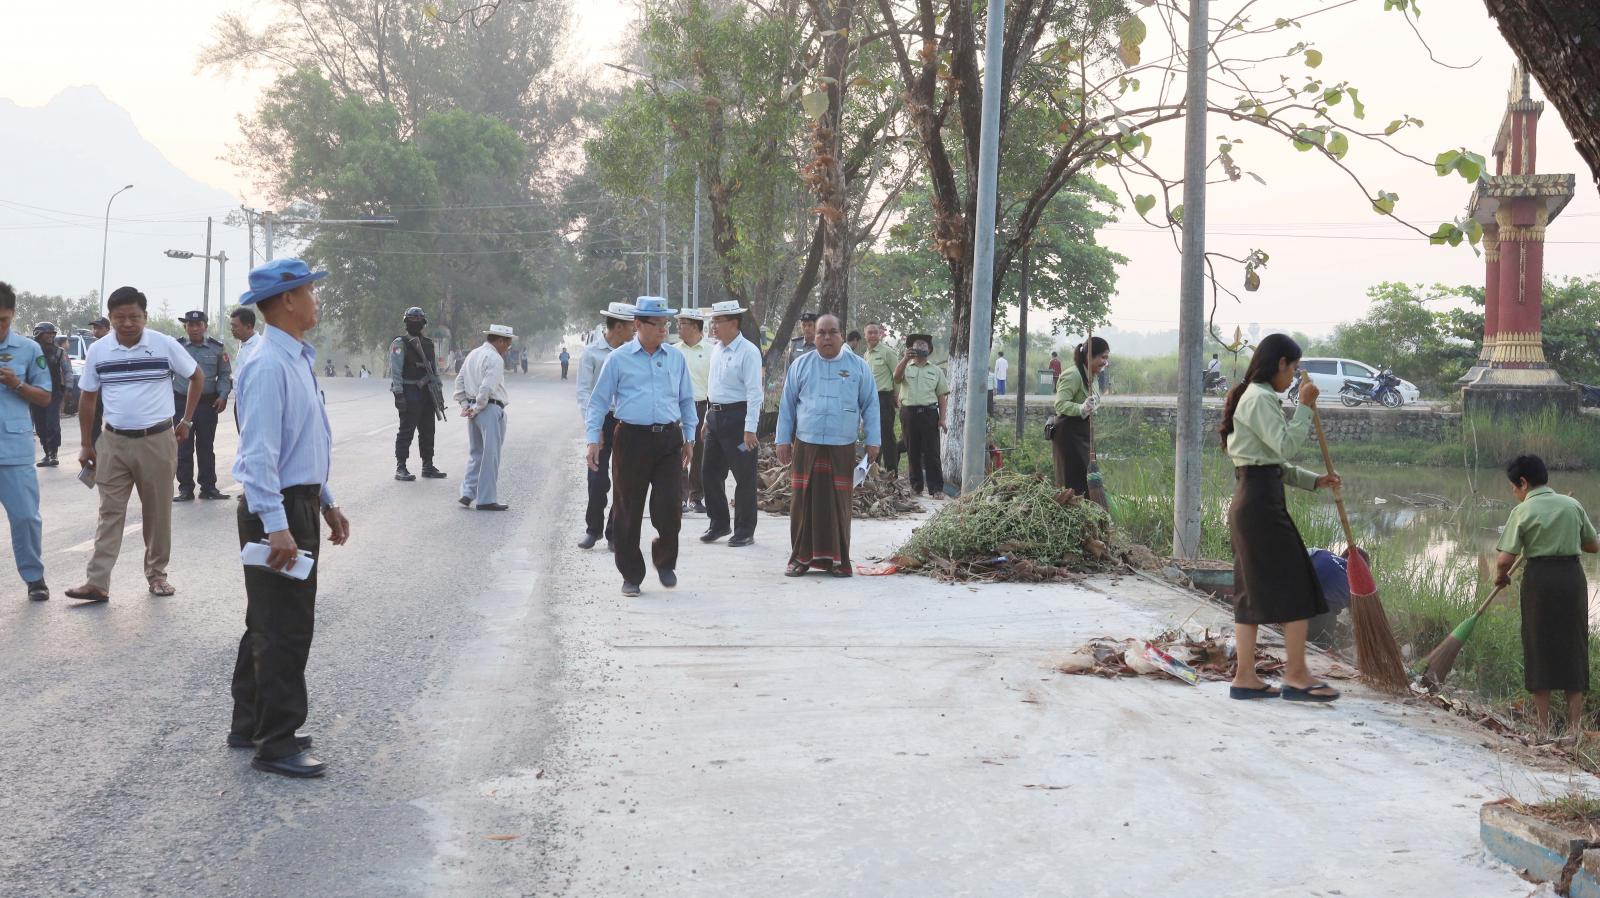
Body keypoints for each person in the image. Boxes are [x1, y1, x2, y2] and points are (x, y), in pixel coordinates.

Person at [228, 258, 350, 778]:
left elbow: (303, 442)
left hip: (296, 502)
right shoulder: (266, 364)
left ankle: (249, 723)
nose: (316, 301)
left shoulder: (294, 357)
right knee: (286, 627)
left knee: (267, 619)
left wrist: (326, 499)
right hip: (275, 510)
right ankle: (276, 743)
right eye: (311, 292)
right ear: (288, 300)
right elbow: (259, 455)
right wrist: (277, 525)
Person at [1220, 332, 1342, 703]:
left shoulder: (1256, 397)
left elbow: (1271, 463)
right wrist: (1304, 407)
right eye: (1293, 369)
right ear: (1280, 363)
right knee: (1298, 584)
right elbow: (1285, 446)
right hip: (1260, 505)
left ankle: (1245, 677)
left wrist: (1315, 480)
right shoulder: (1260, 398)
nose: (1293, 378)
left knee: (1251, 591)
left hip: (1254, 498)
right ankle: (1296, 674)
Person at [66, 286, 203, 601]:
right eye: (120, 317)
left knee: (157, 513)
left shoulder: (164, 345)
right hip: (113, 442)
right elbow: (88, 398)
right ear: (110, 318)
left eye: (134, 317)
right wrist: (86, 444)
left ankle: (157, 575)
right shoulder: (99, 350)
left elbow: (196, 376)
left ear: (145, 316)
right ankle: (97, 582)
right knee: (109, 511)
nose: (127, 323)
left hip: (156, 441)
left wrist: (186, 420)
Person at [584, 296, 697, 596]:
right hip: (631, 440)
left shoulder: (675, 358)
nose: (663, 329)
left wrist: (690, 437)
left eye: (665, 323)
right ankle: (631, 574)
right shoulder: (618, 359)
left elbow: (687, 399)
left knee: (670, 505)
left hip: (669, 440)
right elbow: (598, 402)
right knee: (627, 510)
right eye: (656, 323)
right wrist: (593, 438)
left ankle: (666, 561)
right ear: (638, 324)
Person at [1494, 453, 1600, 737]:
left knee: (1538, 645)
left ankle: (1542, 729)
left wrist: (1501, 577)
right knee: (1574, 645)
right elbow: (1593, 546)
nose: (1515, 493)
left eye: (1514, 488)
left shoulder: (1522, 511)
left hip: (1539, 581)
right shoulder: (1572, 505)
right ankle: (1574, 729)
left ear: (1523, 482)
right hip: (1571, 579)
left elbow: (1504, 560)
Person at [776, 314, 879, 578]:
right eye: (821, 332)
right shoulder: (801, 365)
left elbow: (870, 405)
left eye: (832, 332)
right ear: (814, 336)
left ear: (842, 335)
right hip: (806, 444)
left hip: (841, 445)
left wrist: (873, 441)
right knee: (802, 503)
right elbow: (787, 405)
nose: (826, 337)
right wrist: (782, 439)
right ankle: (799, 559)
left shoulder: (858, 367)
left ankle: (838, 561)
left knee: (838, 504)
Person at [0, 284, 56, 600]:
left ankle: (34, 577)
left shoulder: (28, 349)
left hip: (13, 450)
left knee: (25, 518)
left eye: (3, 320)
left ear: (12, 314)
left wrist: (17, 384)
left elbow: (45, 397)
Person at [702, 299, 762, 547]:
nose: (713, 326)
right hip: (715, 420)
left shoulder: (748, 352)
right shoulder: (716, 349)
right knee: (709, 472)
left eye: (718, 321)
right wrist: (707, 418)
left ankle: (745, 530)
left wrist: (750, 429)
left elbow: (755, 393)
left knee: (744, 476)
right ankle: (719, 523)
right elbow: (713, 386)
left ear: (734, 323)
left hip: (739, 422)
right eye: (713, 321)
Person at [576, 302, 635, 550]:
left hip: (626, 421)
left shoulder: (634, 352)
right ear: (619, 326)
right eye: (632, 326)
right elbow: (583, 393)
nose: (635, 330)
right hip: (601, 420)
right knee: (597, 478)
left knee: (625, 479)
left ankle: (614, 532)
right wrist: (593, 426)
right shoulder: (591, 353)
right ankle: (593, 529)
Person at [172, 310, 232, 502]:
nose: (194, 328)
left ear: (206, 326)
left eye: (198, 325)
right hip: (181, 403)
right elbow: (166, 372)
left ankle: (208, 487)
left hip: (207, 404)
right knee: (183, 446)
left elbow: (224, 374)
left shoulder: (217, 348)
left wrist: (223, 395)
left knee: (206, 446)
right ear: (185, 327)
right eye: (190, 325)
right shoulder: (176, 347)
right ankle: (185, 488)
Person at [454, 324, 513, 511]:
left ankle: (467, 492)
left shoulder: (473, 354)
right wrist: (478, 407)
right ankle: (486, 499)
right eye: (508, 344)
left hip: (473, 409)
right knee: (490, 456)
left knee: (476, 454)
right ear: (500, 341)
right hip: (489, 409)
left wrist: (466, 405)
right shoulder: (495, 358)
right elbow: (487, 387)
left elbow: (459, 381)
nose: (507, 348)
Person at [390, 306, 447, 482]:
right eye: (412, 320)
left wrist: (439, 390)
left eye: (418, 320)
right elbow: (396, 371)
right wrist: (399, 394)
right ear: (406, 323)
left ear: (423, 323)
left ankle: (428, 465)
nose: (415, 323)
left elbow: (434, 371)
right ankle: (401, 466)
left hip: (427, 392)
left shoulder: (428, 344)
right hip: (409, 391)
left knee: (428, 430)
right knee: (406, 430)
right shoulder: (400, 343)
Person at [893, 333, 949, 499]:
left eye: (924, 344)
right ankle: (916, 487)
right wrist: (905, 359)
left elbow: (942, 397)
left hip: (929, 414)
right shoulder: (905, 367)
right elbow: (896, 378)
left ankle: (936, 489)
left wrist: (942, 419)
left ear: (929, 349)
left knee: (932, 452)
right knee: (913, 451)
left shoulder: (936, 371)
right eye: (917, 344)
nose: (921, 347)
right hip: (909, 414)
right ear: (911, 349)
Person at [1051, 336, 1109, 493]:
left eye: (1107, 358)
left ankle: (1090, 507)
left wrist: (1090, 407)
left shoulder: (1093, 376)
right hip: (1068, 434)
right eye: (1103, 357)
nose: (1105, 362)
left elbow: (1093, 402)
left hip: (1083, 432)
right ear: (1089, 356)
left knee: (1088, 479)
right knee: (1073, 482)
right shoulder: (1073, 375)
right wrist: (1081, 408)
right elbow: (1060, 404)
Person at [672, 309, 711, 515]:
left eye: (682, 324)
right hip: (677, 408)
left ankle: (696, 497)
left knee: (699, 454)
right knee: (679, 452)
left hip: (702, 407)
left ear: (695, 326)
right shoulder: (672, 352)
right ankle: (679, 497)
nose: (678, 327)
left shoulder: (711, 351)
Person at [861, 323, 899, 478]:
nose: (872, 335)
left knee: (886, 435)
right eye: (869, 333)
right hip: (869, 399)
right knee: (872, 435)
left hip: (884, 397)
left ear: (880, 334)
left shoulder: (887, 352)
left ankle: (892, 472)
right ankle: (875, 470)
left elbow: (897, 376)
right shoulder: (866, 355)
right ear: (865, 335)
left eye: (875, 332)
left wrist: (896, 396)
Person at [29, 322, 68, 467]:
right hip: (35, 393)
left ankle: (53, 454)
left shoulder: (59, 352)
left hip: (53, 393)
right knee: (40, 425)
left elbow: (67, 371)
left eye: (53, 333)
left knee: (52, 424)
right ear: (39, 334)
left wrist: (69, 388)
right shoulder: (31, 351)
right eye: (48, 333)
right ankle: (46, 453)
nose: (51, 336)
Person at [87, 316, 110, 444]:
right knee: (94, 421)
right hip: (97, 390)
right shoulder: (94, 347)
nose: (95, 330)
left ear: (107, 329)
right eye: (94, 328)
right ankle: (95, 448)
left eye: (99, 328)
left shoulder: (115, 345)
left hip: (112, 390)